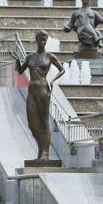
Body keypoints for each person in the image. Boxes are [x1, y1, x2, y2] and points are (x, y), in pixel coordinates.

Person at [14, 30, 66, 161]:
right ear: (36, 40)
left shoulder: (50, 57)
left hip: (43, 90)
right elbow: (20, 71)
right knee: (32, 123)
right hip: (32, 90)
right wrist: (17, 61)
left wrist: (52, 80)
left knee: (44, 122)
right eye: (41, 39)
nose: (43, 42)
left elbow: (62, 69)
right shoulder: (30, 57)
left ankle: (45, 154)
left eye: (45, 40)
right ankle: (40, 148)